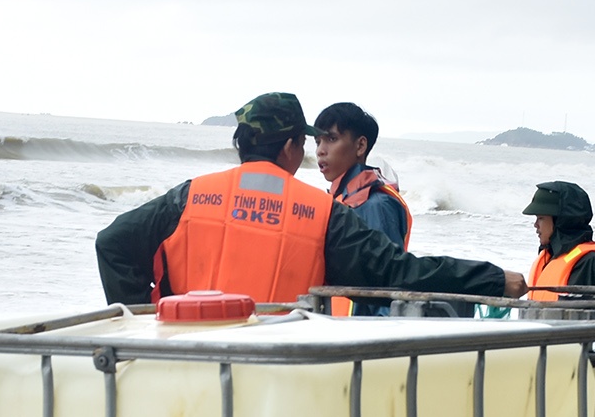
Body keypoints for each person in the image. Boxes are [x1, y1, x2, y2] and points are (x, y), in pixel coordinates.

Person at [95, 93, 526, 309]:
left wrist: (142, 318)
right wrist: (491, 279)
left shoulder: (188, 197)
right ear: (289, 149)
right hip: (278, 375)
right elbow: (401, 273)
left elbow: (112, 242)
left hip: (186, 363)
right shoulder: (323, 214)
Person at [312, 102, 417, 317]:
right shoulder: (343, 198)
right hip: (339, 328)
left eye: (331, 139)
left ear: (360, 146)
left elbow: (387, 284)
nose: (321, 151)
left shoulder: (375, 205)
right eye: (318, 141)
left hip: (358, 333)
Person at [524, 181, 595, 329]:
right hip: (545, 345)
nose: (535, 225)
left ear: (560, 221)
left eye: (541, 218)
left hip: (572, 348)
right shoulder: (547, 259)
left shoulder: (592, 262)